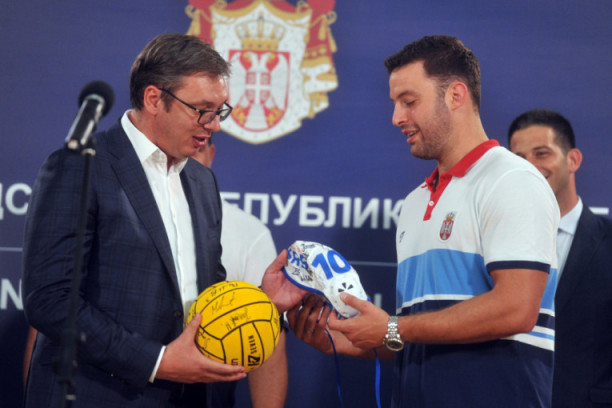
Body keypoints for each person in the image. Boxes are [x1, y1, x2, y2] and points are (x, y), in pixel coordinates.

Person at [22, 33, 304, 407]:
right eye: (202, 109)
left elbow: (205, 292)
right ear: (154, 99)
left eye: (220, 110)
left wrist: (260, 303)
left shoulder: (202, 182)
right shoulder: (81, 166)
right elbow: (50, 300)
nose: (215, 125)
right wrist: (157, 362)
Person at [288, 35, 559, 408]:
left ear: (456, 95)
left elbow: (516, 309)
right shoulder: (415, 202)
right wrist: (348, 340)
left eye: (409, 101)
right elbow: (421, 335)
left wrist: (392, 326)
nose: (396, 118)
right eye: (395, 103)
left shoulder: (512, 180)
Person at [508, 109, 612, 408]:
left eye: (542, 154)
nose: (530, 167)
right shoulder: (490, 243)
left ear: (573, 160)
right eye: (519, 158)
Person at [193, 139, 288, 408]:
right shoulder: (124, 215)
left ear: (210, 155)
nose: (187, 160)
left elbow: (267, 342)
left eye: (198, 149)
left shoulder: (248, 232)